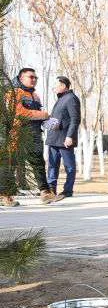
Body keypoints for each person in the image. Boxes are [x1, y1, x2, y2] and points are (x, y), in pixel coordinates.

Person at [0, 68, 56, 206]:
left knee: (38, 163)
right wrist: (42, 115)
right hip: (17, 135)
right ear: (21, 78)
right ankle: (4, 196)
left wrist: (47, 121)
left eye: (35, 77)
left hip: (35, 134)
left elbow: (34, 114)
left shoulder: (35, 95)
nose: (34, 79)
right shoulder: (13, 92)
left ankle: (45, 193)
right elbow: (19, 112)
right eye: (31, 77)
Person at [46, 76, 81, 200]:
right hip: (53, 138)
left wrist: (70, 136)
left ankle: (67, 190)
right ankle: (51, 190)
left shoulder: (71, 99)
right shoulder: (60, 99)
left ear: (63, 86)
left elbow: (75, 119)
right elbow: (57, 118)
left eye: (56, 85)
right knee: (52, 165)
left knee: (69, 166)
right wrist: (45, 125)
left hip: (65, 139)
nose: (54, 88)